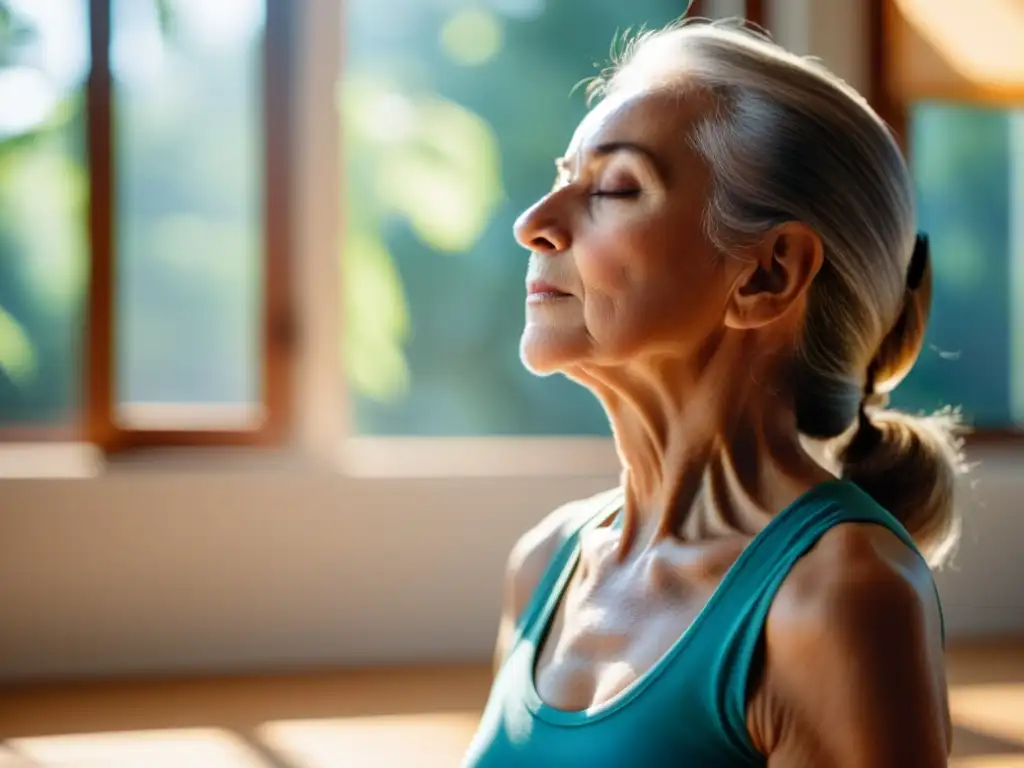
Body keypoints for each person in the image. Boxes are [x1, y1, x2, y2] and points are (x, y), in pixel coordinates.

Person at [462, 16, 967, 768]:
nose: (533, 223)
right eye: (563, 179)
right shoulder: (546, 564)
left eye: (616, 187)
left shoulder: (840, 600)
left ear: (767, 275)